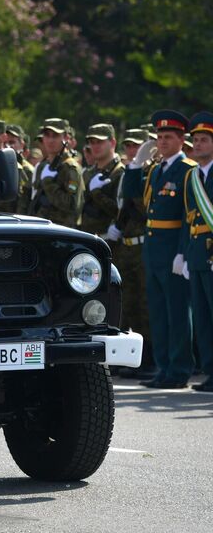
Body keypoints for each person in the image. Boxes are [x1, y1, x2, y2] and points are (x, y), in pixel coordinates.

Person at [120, 110, 196, 389]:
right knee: (159, 312)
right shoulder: (156, 169)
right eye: (159, 138)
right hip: (153, 249)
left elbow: (189, 215)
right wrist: (136, 164)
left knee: (177, 312)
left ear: (180, 140)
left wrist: (182, 252)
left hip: (173, 248)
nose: (162, 142)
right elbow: (133, 196)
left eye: (168, 137)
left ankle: (179, 369)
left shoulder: (187, 170)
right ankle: (164, 367)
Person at [109, 127, 155, 378]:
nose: (131, 150)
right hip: (126, 244)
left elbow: (143, 206)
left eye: (136, 145)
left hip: (143, 243)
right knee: (128, 305)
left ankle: (149, 358)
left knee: (145, 306)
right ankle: (135, 358)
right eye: (128, 146)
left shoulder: (148, 173)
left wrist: (137, 172)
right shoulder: (131, 172)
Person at [182, 112, 213, 392]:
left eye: (204, 140)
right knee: (202, 318)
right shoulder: (192, 175)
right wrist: (184, 253)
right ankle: (210, 370)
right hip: (197, 253)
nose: (198, 144)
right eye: (196, 140)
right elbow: (188, 218)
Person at [28, 118, 82, 227]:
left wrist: (49, 184)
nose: (50, 140)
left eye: (55, 136)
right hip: (40, 228)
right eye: (47, 135)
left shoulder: (70, 168)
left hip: (60, 233)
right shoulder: (42, 166)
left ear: (66, 137)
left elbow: (72, 205)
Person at [80, 123, 123, 237]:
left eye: (100, 142)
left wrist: (97, 193)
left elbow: (121, 211)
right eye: (92, 142)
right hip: (86, 236)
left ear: (113, 142)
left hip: (108, 241)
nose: (95, 146)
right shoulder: (88, 173)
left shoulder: (120, 173)